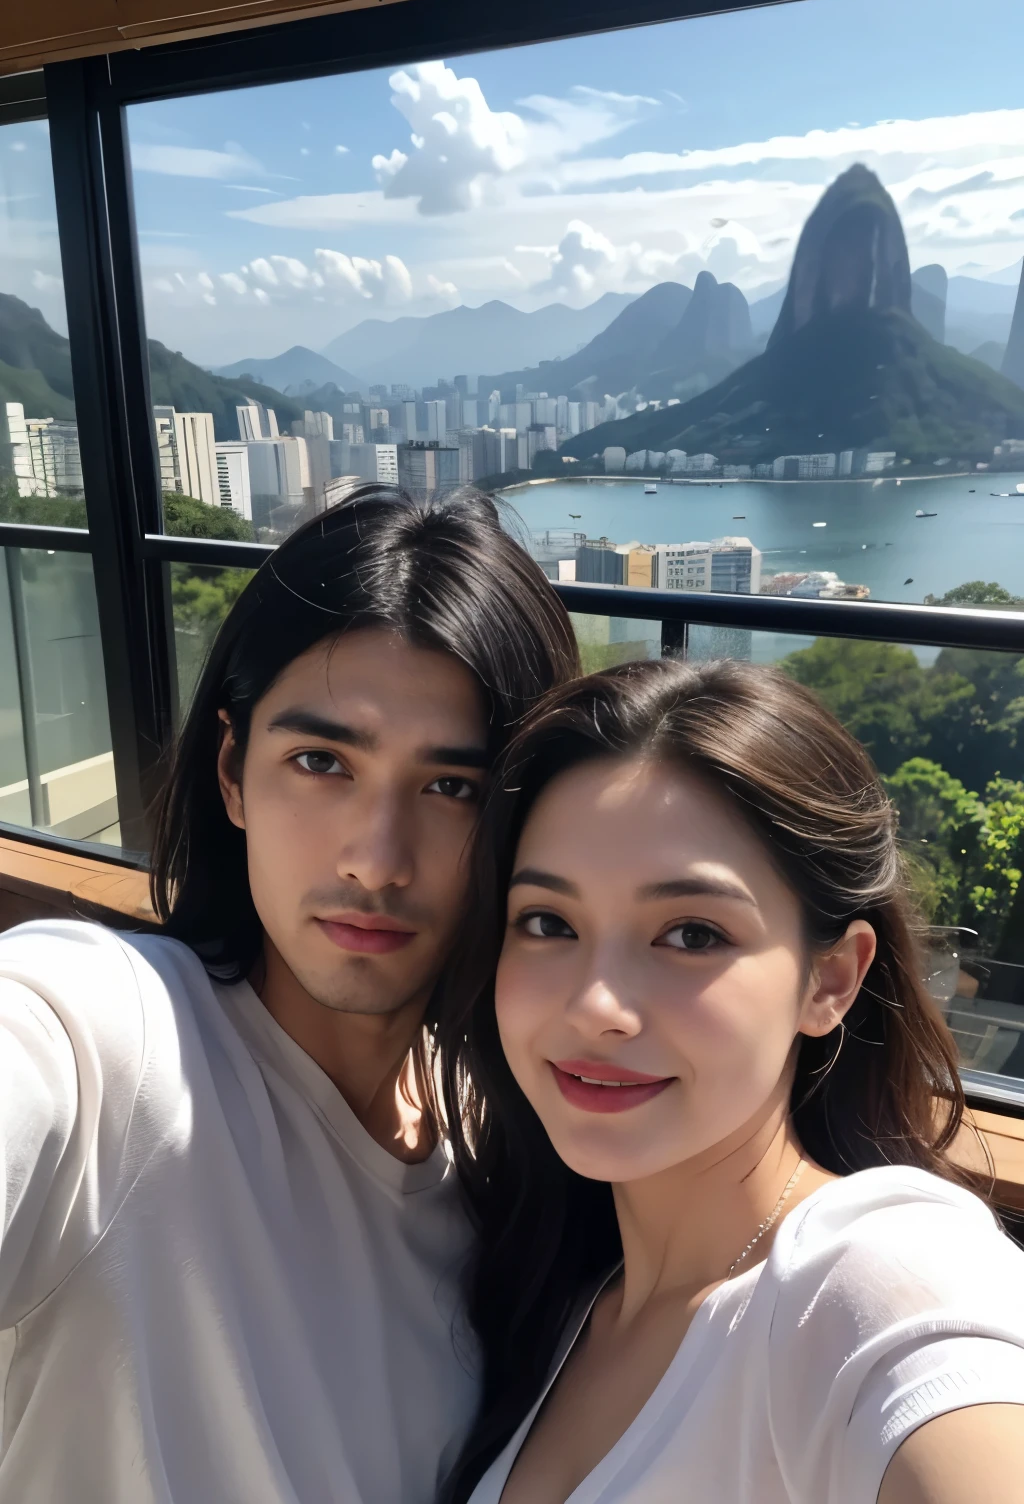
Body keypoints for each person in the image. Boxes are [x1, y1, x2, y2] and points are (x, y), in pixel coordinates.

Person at [0, 482, 579, 1503]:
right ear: (232, 770)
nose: (376, 859)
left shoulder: (505, 1149)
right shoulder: (107, 1038)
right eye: (321, 761)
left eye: (453, 788)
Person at [438, 656, 1024, 1504]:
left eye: (691, 935)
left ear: (830, 981)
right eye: (547, 922)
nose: (597, 1005)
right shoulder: (566, 1297)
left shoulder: (871, 1277)